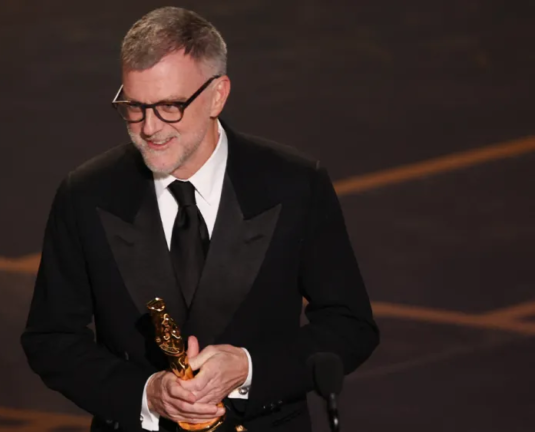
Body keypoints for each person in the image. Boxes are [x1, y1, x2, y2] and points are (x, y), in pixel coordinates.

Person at [21, 6, 379, 432]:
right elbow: (51, 339)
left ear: (217, 95)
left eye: (170, 106)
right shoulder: (85, 194)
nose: (149, 127)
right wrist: (146, 394)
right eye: (134, 106)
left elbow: (349, 325)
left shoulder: (295, 185)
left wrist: (247, 368)